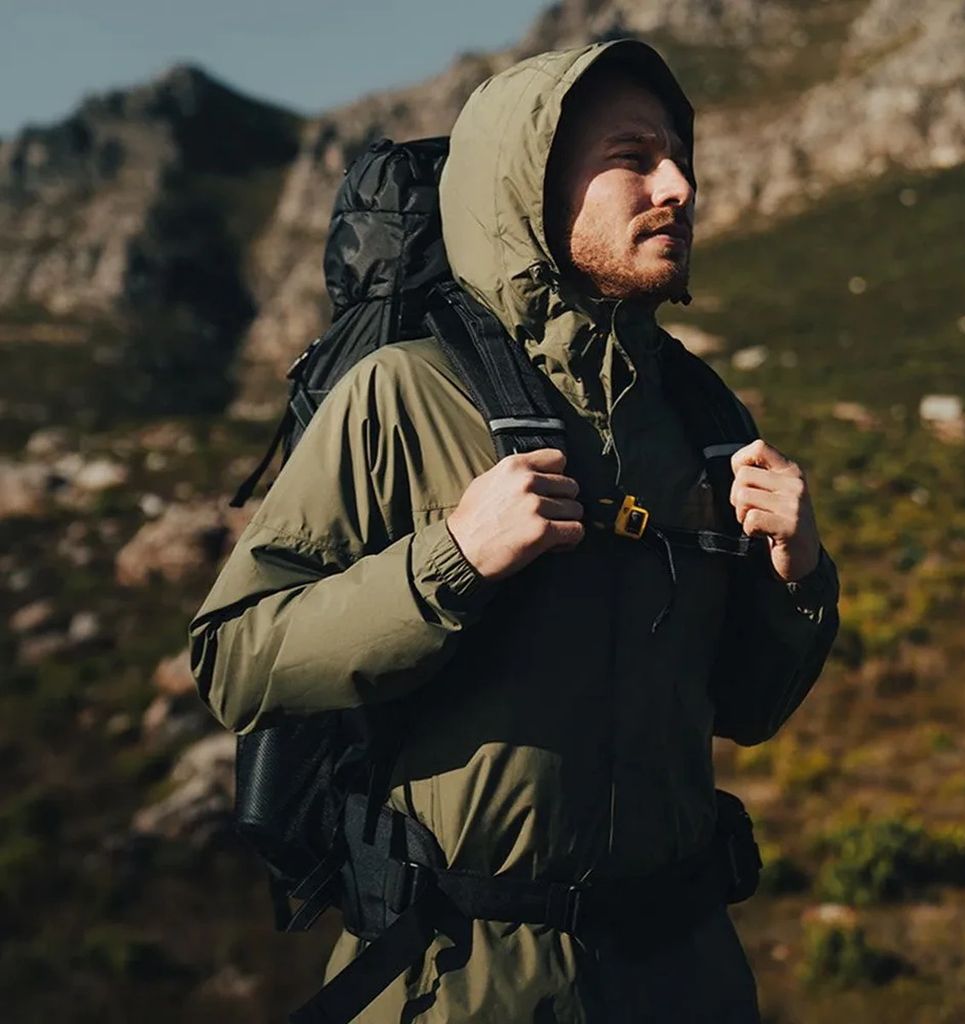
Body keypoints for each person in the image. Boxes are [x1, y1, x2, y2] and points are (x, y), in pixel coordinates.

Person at [190, 38, 840, 1023]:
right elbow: (234, 659)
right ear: (530, 186)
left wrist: (798, 579)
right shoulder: (399, 395)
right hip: (460, 979)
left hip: (683, 975)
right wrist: (450, 560)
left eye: (680, 160)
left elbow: (747, 708)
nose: (678, 186)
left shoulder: (702, 417)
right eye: (632, 158)